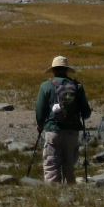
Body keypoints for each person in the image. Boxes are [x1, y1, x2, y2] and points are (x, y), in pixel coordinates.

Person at [35, 55, 92, 183]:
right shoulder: (77, 86)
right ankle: (70, 189)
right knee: (69, 163)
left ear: (53, 70)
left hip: (53, 130)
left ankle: (53, 192)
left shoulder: (46, 86)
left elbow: (39, 110)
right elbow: (86, 113)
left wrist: (40, 124)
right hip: (72, 131)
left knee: (51, 163)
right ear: (66, 70)